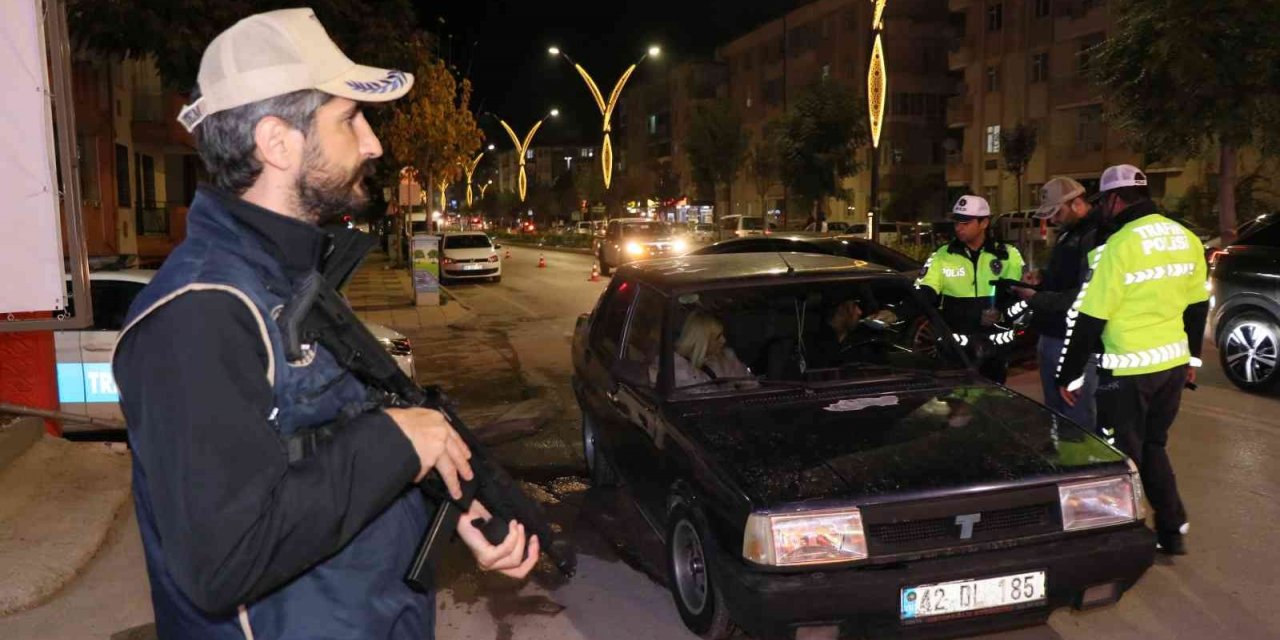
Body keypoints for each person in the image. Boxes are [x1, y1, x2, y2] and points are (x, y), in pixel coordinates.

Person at [111, 9, 537, 638]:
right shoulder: (201, 313)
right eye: (349, 119)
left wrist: (448, 507)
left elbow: (323, 454)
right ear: (278, 142)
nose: (373, 144)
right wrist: (396, 442)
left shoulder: (286, 280)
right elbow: (224, 561)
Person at [1056, 164, 1208, 556]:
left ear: (1115, 200)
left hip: (1126, 370)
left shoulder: (1119, 246)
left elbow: (1091, 317)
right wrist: (1192, 357)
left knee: (1119, 455)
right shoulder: (1186, 237)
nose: (1101, 208)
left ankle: (1118, 538)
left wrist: (1068, 375)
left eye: (1103, 201)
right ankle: (1172, 529)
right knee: (1153, 446)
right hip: (1172, 365)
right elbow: (1197, 305)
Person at [1008, 177, 1103, 430]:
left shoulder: (1095, 236)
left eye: (1057, 212)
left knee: (1076, 419)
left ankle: (1080, 466)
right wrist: (1041, 278)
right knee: (1056, 414)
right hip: (1052, 334)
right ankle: (1063, 461)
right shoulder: (1070, 233)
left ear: (1076, 203)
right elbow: (1065, 278)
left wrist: (1037, 298)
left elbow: (1087, 293)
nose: (1053, 220)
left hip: (1074, 340)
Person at [916, 196, 1025, 383]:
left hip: (994, 352)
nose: (958, 227)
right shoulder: (943, 255)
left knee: (991, 405)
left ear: (984, 223)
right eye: (956, 222)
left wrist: (1000, 315)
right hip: (956, 351)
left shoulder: (1008, 255)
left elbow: (1019, 300)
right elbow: (925, 292)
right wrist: (897, 311)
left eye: (965, 222)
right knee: (956, 405)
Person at [806, 297, 897, 368]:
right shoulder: (810, 345)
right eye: (854, 306)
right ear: (841, 309)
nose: (860, 312)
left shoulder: (867, 339)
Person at [671, 310, 753, 387]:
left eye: (722, 335)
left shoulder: (727, 357)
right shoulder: (676, 366)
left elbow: (750, 384)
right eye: (718, 337)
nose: (723, 340)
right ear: (703, 340)